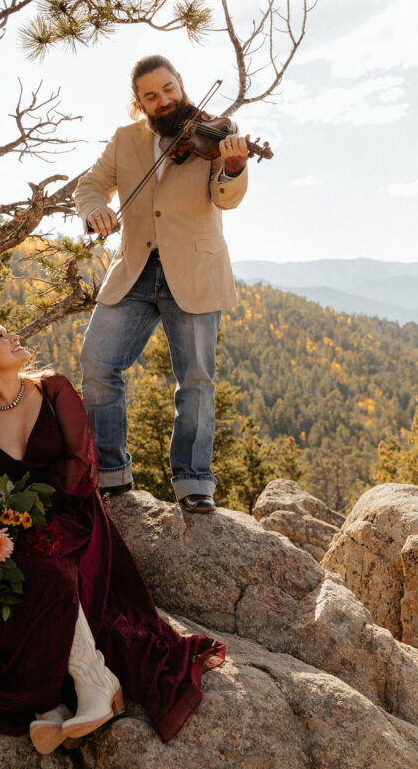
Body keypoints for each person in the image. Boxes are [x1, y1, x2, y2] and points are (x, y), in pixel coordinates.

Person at [0, 315, 226, 752]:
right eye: (1, 336)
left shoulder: (52, 388)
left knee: (44, 560)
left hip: (76, 516)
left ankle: (91, 683)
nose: (15, 335)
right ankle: (54, 704)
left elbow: (82, 469)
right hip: (20, 534)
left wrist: (30, 514)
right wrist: (0, 526)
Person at [74, 55, 249, 513]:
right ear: (139, 102)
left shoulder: (213, 135)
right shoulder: (125, 140)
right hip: (135, 268)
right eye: (151, 95)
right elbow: (89, 185)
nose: (164, 100)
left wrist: (232, 168)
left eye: (169, 88)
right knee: (97, 363)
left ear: (181, 83)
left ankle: (194, 482)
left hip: (193, 271)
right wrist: (95, 210)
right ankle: (110, 475)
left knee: (195, 380)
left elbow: (224, 197)